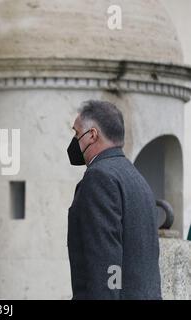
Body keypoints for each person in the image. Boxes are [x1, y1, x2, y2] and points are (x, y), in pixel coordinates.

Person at [67, 100, 162, 300]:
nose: (75, 140)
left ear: (92, 135)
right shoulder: (136, 178)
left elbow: (105, 261)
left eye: (76, 133)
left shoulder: (99, 177)